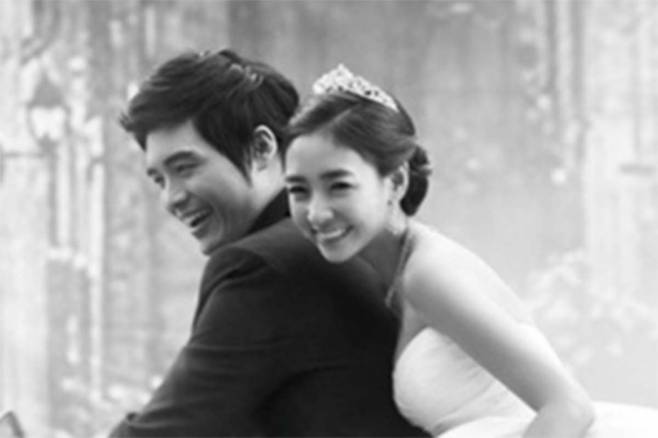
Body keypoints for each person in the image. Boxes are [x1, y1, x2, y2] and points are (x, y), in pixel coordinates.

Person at [283, 64, 658, 438]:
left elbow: (568, 407)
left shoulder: (428, 276)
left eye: (339, 186)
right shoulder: (390, 274)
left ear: (395, 181)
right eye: (299, 190)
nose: (316, 212)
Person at [109, 50, 426, 437]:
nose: (171, 198)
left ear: (261, 147)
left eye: (184, 168)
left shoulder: (264, 267)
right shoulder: (341, 241)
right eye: (159, 179)